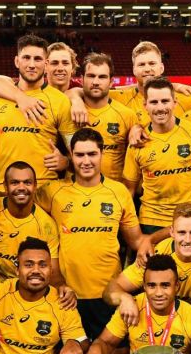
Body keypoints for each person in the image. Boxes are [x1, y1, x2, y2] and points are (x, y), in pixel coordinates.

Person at [32, 129, 151, 338]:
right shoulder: (53, 192)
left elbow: (137, 241)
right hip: (67, 295)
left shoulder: (118, 192)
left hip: (107, 294)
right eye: (79, 155)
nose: (86, 161)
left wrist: (165, 237)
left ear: (101, 153)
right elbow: (19, 202)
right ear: (70, 156)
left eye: (92, 154)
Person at [106, 203, 191, 345]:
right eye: (182, 232)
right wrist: (125, 298)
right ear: (172, 232)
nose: (188, 240)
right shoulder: (155, 255)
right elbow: (111, 289)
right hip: (157, 322)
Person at [0, 35, 76, 200]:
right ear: (16, 61)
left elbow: (75, 151)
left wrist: (66, 162)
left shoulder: (60, 101)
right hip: (1, 191)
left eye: (38, 59)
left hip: (44, 192)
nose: (32, 64)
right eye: (26, 58)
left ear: (46, 64)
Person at [123, 77, 191, 235]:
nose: (160, 108)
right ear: (145, 105)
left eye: (165, 101)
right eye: (154, 102)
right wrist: (132, 231)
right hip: (151, 221)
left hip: (189, 218)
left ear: (175, 103)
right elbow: (128, 191)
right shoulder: (137, 141)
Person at [0, 161, 65, 287]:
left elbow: (53, 272)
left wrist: (62, 286)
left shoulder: (47, 225)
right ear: (5, 187)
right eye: (14, 183)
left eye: (27, 183)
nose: (21, 187)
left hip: (28, 291)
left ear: (35, 186)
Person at [76, 52, 139, 181]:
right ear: (81, 79)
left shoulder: (127, 115)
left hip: (113, 194)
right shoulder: (69, 110)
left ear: (111, 82)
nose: (96, 82)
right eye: (91, 76)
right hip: (75, 194)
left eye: (102, 77)